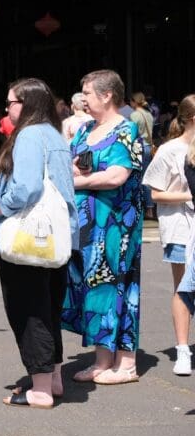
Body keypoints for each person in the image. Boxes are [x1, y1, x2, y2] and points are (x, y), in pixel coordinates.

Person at [0, 79, 78, 408]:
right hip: (58, 236)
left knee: (27, 310)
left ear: (26, 104)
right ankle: (52, 378)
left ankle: (39, 389)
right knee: (50, 305)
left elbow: (25, 187)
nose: (7, 107)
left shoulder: (27, 135)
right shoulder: (54, 134)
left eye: (11, 102)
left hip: (29, 236)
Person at [62, 69, 145, 385]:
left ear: (107, 95)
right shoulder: (85, 130)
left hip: (114, 224)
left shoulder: (126, 129)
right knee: (93, 287)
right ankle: (102, 360)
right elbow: (75, 164)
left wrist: (78, 181)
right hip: (86, 225)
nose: (83, 98)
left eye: (87, 93)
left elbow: (117, 175)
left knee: (119, 285)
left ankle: (126, 364)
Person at [141, 94, 195, 376]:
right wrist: (189, 195)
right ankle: (183, 349)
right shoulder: (169, 151)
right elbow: (154, 192)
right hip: (180, 226)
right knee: (183, 287)